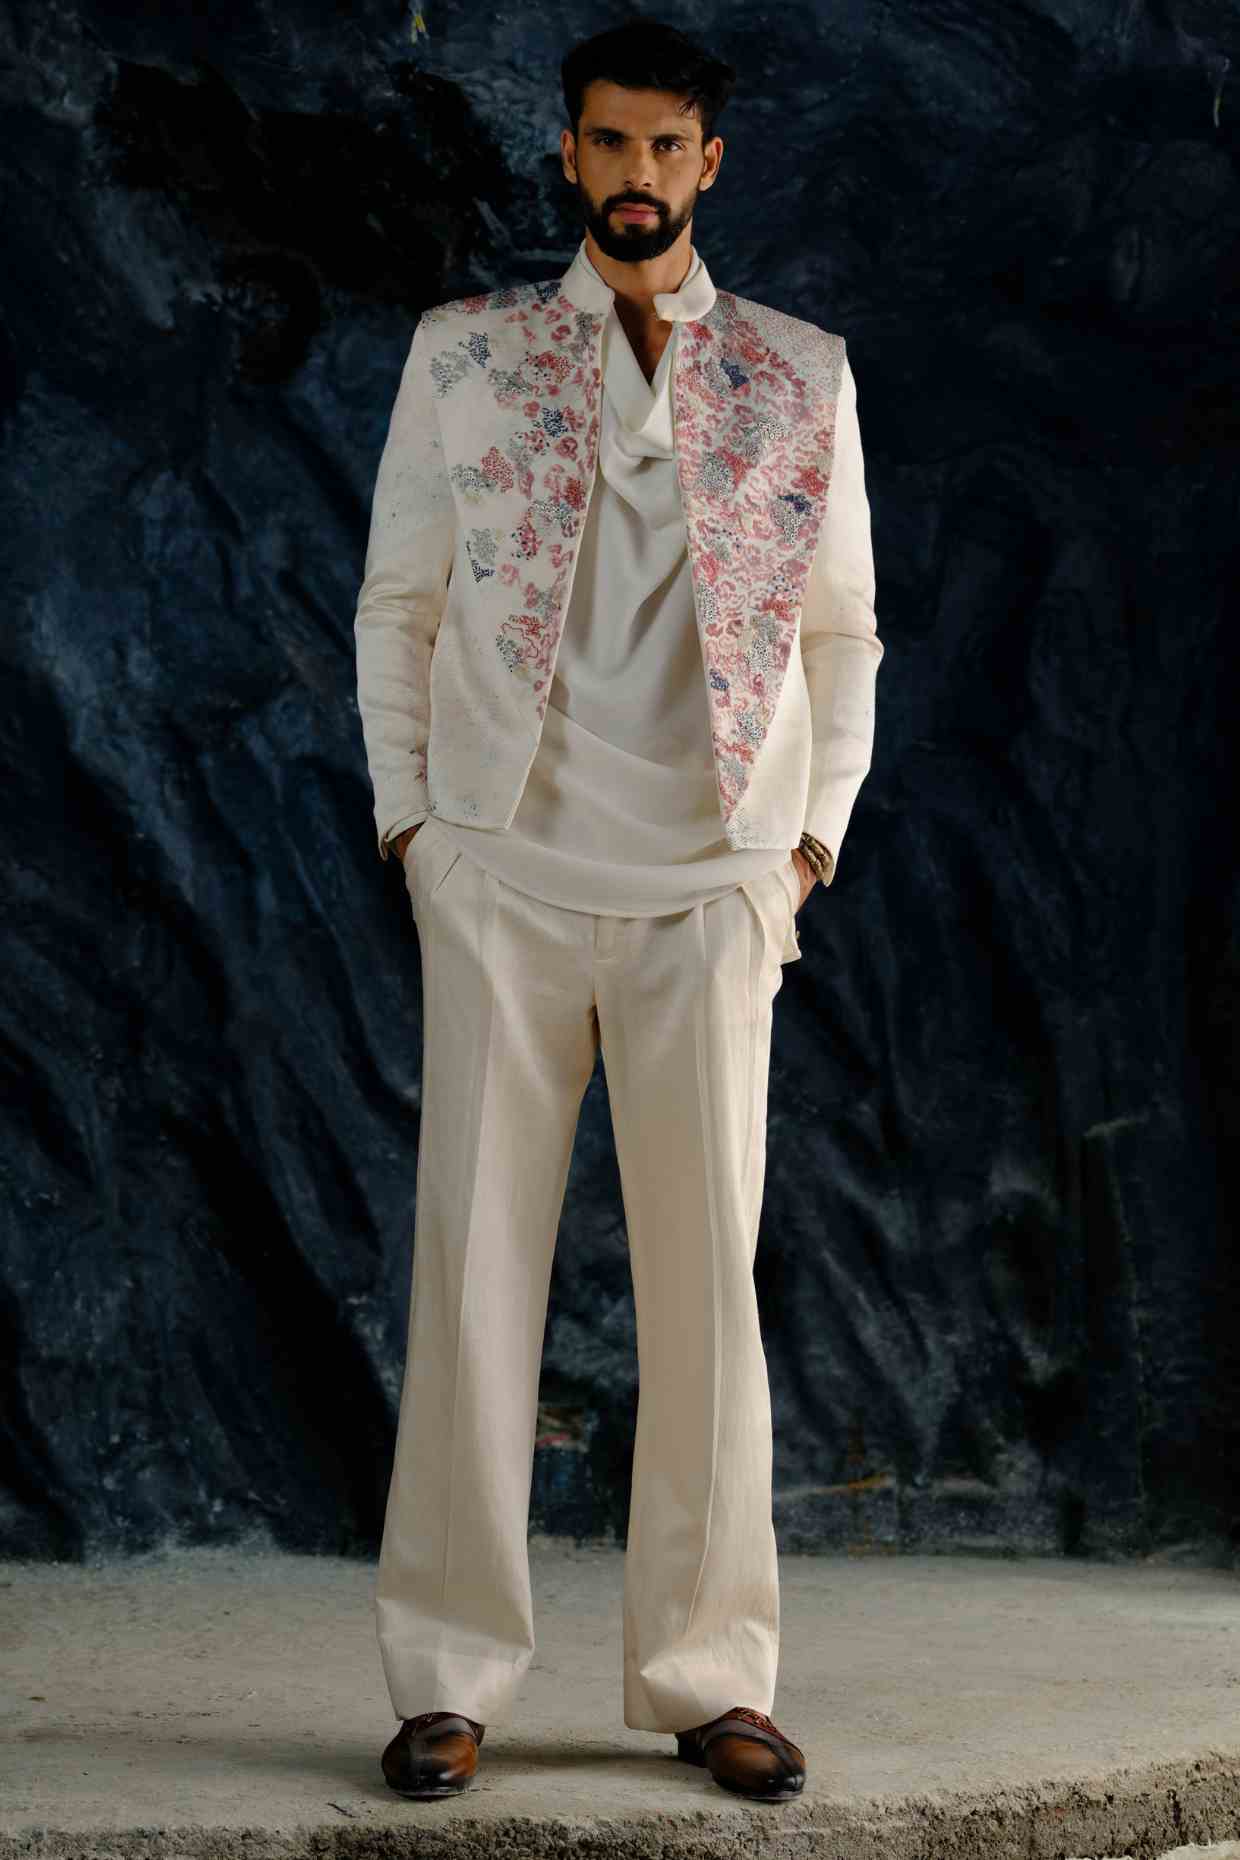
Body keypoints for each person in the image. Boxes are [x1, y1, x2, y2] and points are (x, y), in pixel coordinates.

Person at [352, 15, 883, 1805]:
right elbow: (400, 605)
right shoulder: (466, 354)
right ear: (568, 154)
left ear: (707, 163)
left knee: (709, 1291)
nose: (636, 175)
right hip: (501, 872)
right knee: (472, 1276)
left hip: (711, 884)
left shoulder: (802, 374)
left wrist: (800, 853)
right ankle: (446, 1679)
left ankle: (712, 1676)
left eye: (666, 147)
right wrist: (417, 831)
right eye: (608, 143)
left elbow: (843, 633)